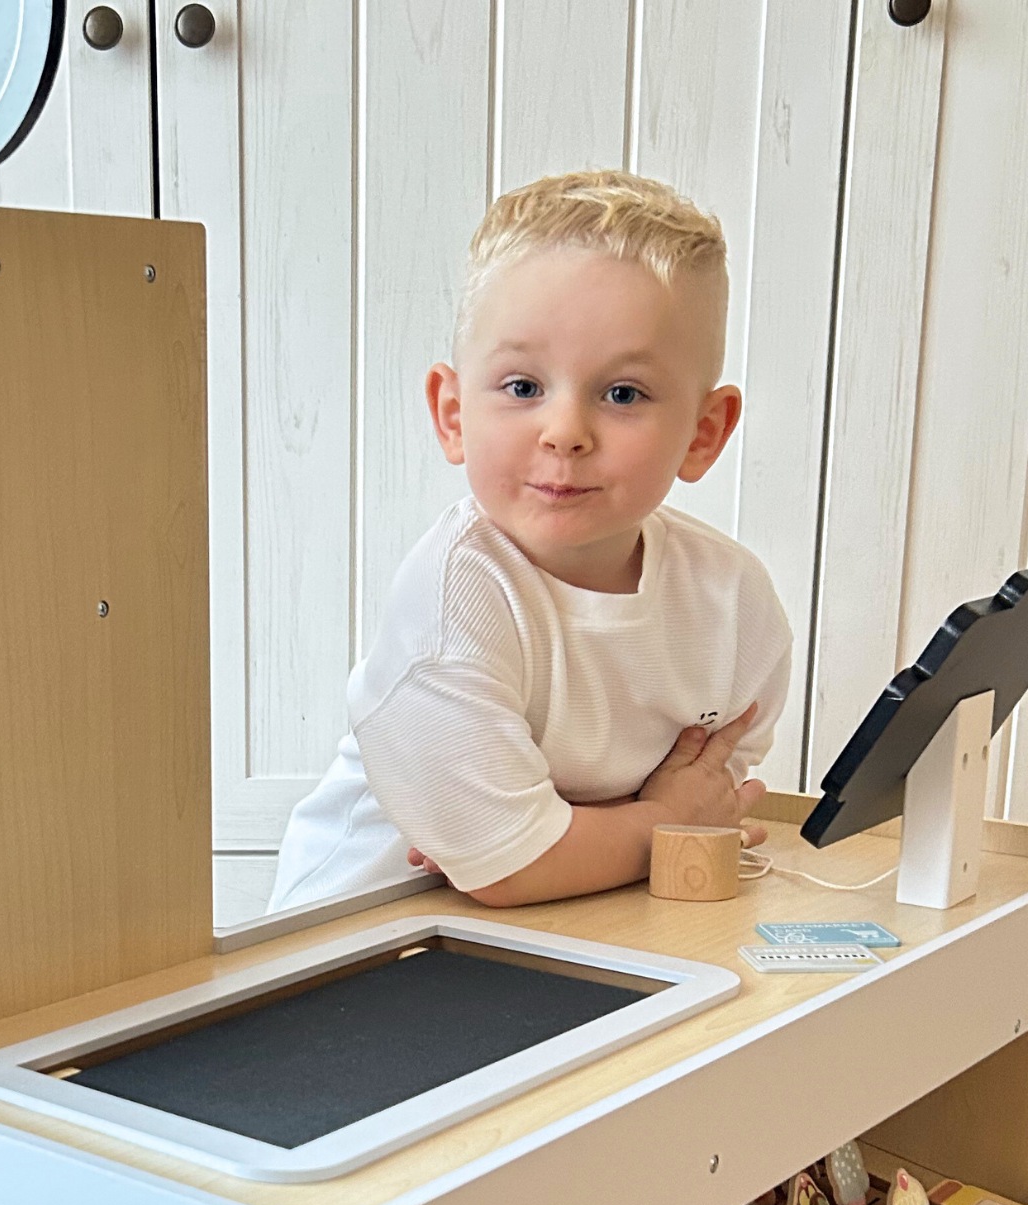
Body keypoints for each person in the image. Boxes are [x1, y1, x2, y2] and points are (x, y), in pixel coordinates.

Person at [269, 170, 792, 913]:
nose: (565, 432)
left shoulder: (732, 600)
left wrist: (574, 841)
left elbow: (708, 795)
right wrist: (658, 822)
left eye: (623, 393)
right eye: (522, 387)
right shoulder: (454, 600)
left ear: (703, 433)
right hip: (359, 937)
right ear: (453, 414)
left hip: (578, 919)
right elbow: (513, 870)